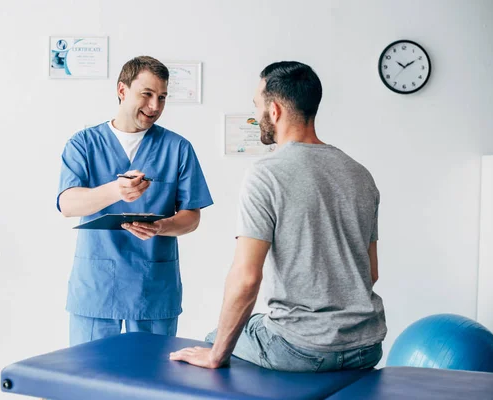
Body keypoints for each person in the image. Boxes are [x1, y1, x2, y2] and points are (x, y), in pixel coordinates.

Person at [170, 61, 386, 372]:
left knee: (214, 338)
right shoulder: (359, 174)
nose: (256, 115)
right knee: (255, 324)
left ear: (274, 110)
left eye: (256, 106)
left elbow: (246, 279)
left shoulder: (267, 174)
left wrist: (216, 354)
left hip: (303, 349)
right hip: (367, 346)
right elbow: (371, 272)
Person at [57, 56, 213, 346]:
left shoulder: (177, 148)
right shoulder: (83, 144)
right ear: (122, 90)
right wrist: (117, 191)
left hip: (152, 284)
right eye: (147, 94)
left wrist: (161, 227)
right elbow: (68, 204)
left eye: (162, 97)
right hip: (97, 285)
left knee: (151, 382)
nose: (155, 106)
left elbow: (192, 216)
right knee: (90, 380)